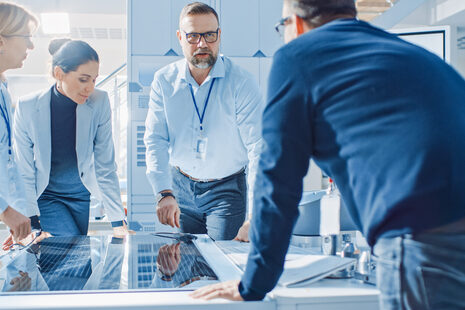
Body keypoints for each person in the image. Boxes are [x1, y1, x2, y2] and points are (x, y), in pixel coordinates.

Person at [191, 0, 465, 308]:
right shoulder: (405, 51)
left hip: (421, 238)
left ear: (295, 25)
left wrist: (254, 282)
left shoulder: (298, 56)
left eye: (282, 28)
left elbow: (278, 179)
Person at [144, 2, 263, 241]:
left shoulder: (241, 82)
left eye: (209, 35)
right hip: (180, 187)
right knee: (187, 267)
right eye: (193, 36)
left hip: (226, 191)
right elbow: (155, 138)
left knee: (223, 262)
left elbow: (260, 147)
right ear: (180, 37)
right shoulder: (164, 81)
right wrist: (163, 192)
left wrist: (256, 214)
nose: (202, 44)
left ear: (219, 35)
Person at [13, 38, 131, 236]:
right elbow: (24, 170)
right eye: (83, 79)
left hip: (82, 196)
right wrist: (32, 219)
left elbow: (105, 166)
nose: (90, 87)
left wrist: (117, 221)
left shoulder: (99, 102)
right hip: (48, 196)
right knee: (70, 245)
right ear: (59, 73)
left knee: (80, 261)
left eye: (94, 80)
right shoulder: (28, 107)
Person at [0, 2, 38, 243]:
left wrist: (17, 216)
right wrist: (6, 212)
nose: (31, 46)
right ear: (1, 41)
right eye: (26, 37)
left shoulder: (4, 90)